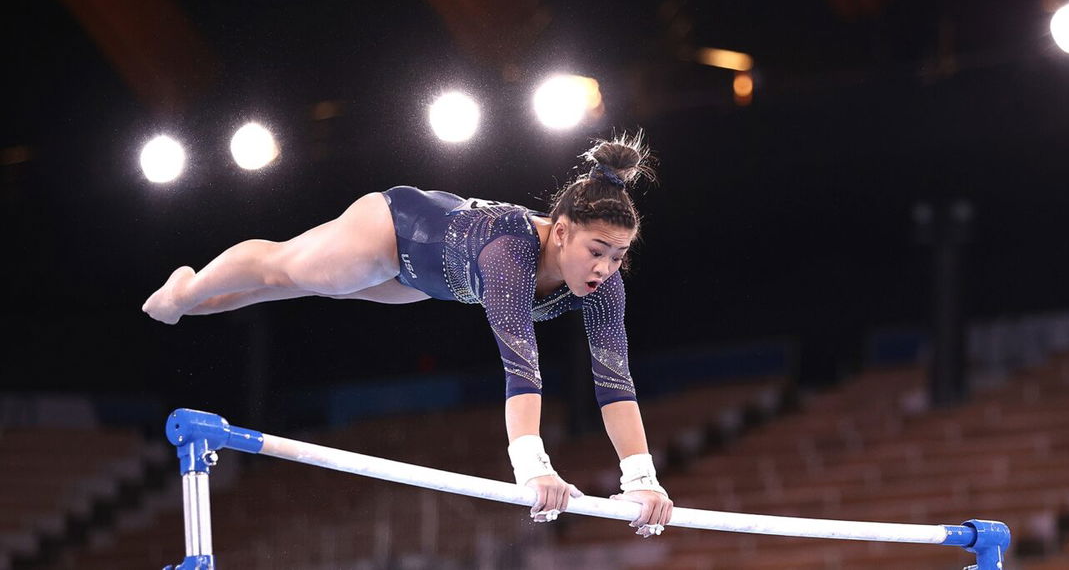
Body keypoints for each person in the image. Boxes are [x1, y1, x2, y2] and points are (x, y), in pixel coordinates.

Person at [142, 132, 673, 537]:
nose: (605, 267)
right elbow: (521, 366)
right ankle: (184, 292)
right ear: (560, 231)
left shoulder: (605, 287)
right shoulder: (513, 253)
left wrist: (642, 478)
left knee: (292, 290)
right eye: (596, 251)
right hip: (397, 231)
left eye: (618, 256)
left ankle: (200, 303)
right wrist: (533, 468)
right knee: (285, 270)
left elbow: (615, 382)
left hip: (433, 281)